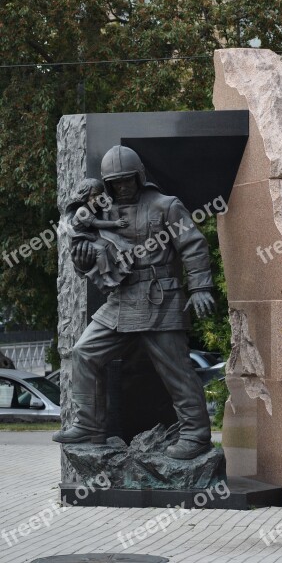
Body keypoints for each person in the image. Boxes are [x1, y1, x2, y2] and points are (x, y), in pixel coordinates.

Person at [53, 146, 216, 460]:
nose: (122, 187)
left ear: (139, 176)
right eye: (116, 182)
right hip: (122, 299)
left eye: (127, 180)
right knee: (83, 353)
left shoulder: (165, 206)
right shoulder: (102, 213)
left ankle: (196, 434)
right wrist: (83, 259)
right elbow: (85, 257)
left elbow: (193, 245)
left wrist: (201, 287)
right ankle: (89, 425)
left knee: (176, 370)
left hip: (160, 297)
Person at [68, 178, 130, 290]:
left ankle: (121, 266)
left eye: (100, 195)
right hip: (80, 242)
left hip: (90, 237)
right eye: (94, 195)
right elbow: (97, 223)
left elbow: (103, 220)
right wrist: (115, 223)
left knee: (109, 243)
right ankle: (106, 277)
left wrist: (106, 209)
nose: (97, 199)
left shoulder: (92, 208)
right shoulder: (82, 211)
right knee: (100, 250)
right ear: (85, 195)